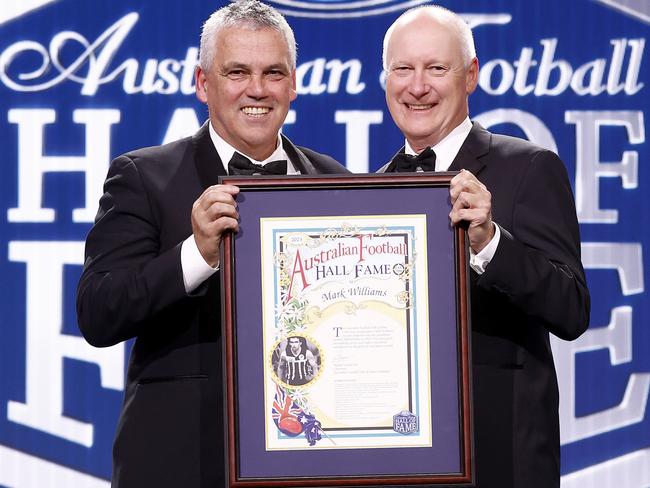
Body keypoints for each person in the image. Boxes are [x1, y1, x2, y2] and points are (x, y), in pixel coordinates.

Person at [76, 1, 348, 486]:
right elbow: (99, 312)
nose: (258, 90)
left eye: (273, 72)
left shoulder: (335, 182)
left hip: (312, 456)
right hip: (182, 458)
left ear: (293, 82)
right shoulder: (144, 177)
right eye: (237, 72)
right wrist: (196, 256)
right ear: (203, 83)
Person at [379, 6, 590, 488]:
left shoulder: (529, 167)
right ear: (386, 79)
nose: (418, 86)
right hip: (399, 459)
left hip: (501, 458)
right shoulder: (375, 188)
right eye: (403, 69)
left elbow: (572, 309)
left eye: (436, 68)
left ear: (470, 75)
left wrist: (491, 244)